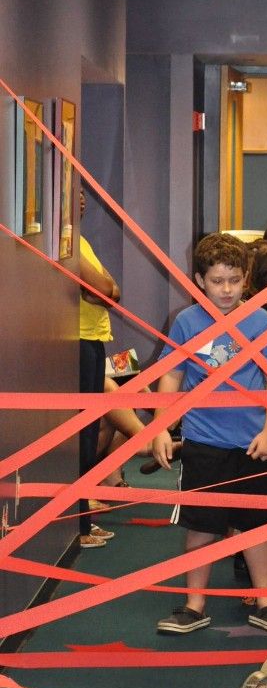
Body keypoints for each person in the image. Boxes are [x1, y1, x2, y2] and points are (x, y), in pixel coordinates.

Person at [152, 233, 267, 636]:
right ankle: (194, 604)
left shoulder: (258, 320)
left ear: (246, 277)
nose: (227, 289)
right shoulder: (186, 322)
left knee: (256, 525)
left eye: (234, 280)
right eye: (218, 281)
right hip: (204, 443)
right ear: (199, 279)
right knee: (202, 526)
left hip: (253, 444)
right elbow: (172, 374)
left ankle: (265, 601)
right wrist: (162, 427)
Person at [78, 189, 120, 547]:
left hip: (91, 339)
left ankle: (82, 515)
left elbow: (108, 290)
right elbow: (104, 288)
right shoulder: (64, 242)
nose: (79, 198)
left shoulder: (78, 239)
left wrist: (104, 287)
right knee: (81, 434)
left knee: (91, 431)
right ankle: (79, 521)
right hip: (75, 342)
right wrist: (104, 287)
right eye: (70, 192)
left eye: (81, 191)